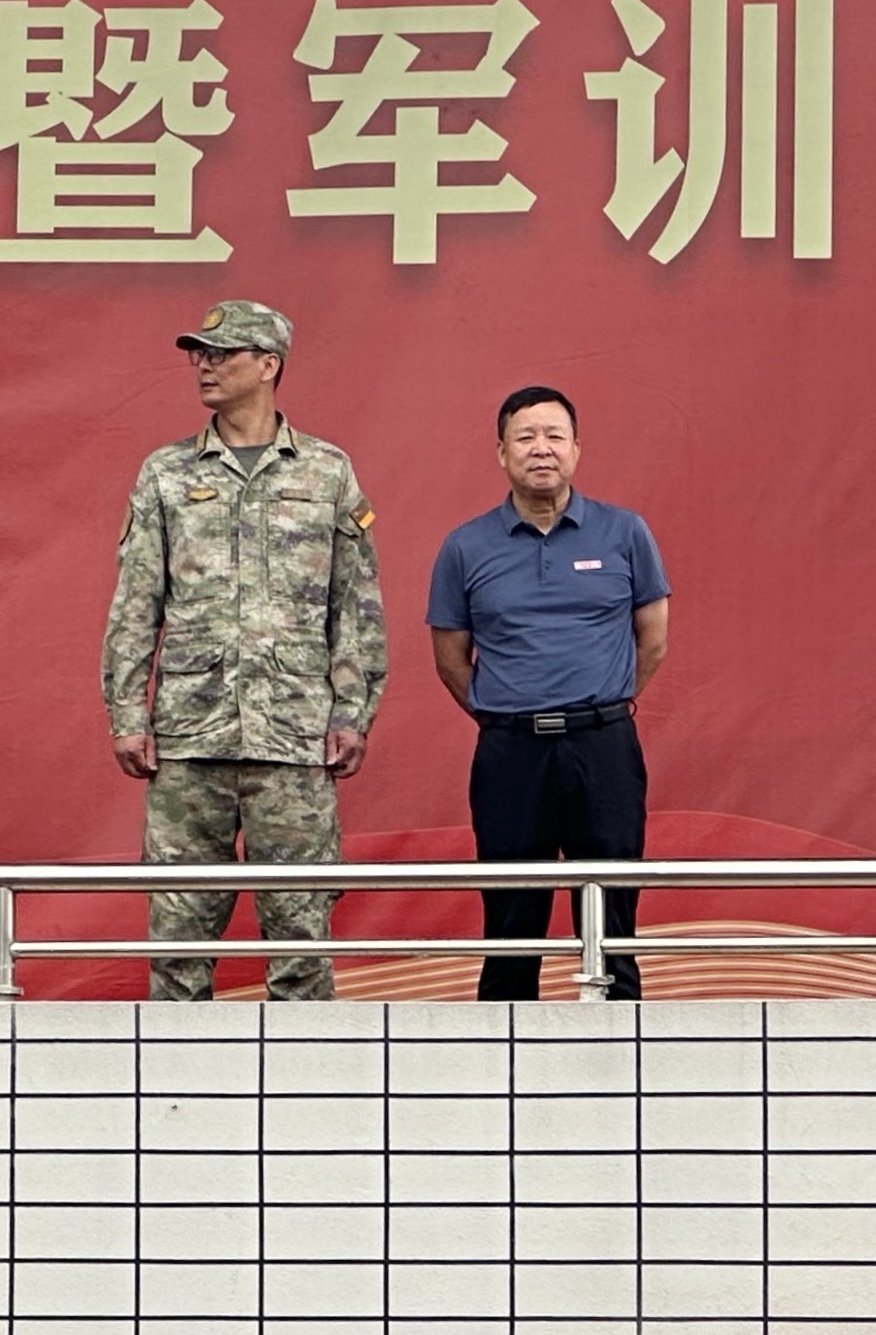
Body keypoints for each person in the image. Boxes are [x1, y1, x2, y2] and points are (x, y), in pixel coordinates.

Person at [101, 299, 386, 1001]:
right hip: (189, 740)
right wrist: (127, 714)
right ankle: (174, 1072)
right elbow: (137, 602)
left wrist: (352, 711)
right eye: (200, 354)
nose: (205, 365)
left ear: (268, 365)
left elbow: (353, 604)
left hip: (293, 739)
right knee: (178, 939)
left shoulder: (326, 471)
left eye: (222, 353)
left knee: (300, 939)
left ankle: (303, 1071)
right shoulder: (166, 472)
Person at [427, 384, 669, 1001]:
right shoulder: (465, 546)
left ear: (577, 448)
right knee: (511, 915)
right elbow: (451, 660)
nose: (542, 449)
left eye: (555, 436)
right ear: (501, 452)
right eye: (526, 437)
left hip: (602, 746)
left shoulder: (624, 532)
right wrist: (508, 711)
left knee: (611, 912)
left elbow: (652, 640)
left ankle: (620, 1042)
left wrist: (601, 703)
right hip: (511, 751)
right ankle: (505, 1047)